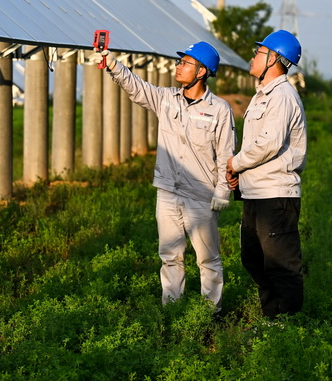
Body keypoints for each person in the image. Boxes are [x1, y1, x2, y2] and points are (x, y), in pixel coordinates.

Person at [91, 42, 235, 311]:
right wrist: (111, 63)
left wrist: (223, 191)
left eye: (186, 63)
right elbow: (137, 88)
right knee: (170, 256)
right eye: (180, 62)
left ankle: (210, 314)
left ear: (202, 71)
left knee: (207, 260)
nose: (178, 66)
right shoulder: (167, 99)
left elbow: (226, 154)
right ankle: (172, 311)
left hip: (201, 195)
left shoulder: (220, 109)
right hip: (168, 192)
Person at [226, 29, 307, 318]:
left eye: (259, 52)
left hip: (275, 195)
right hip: (256, 193)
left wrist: (235, 163)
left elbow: (269, 143)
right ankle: (272, 319)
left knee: (281, 264)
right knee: (254, 259)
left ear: (274, 58)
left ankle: (288, 326)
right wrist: (240, 174)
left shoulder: (282, 95)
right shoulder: (262, 96)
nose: (253, 56)